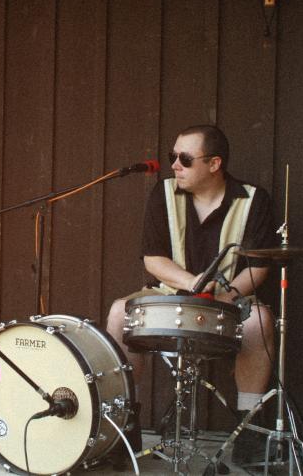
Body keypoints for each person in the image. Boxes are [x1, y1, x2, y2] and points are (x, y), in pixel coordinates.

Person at [105, 125, 276, 465]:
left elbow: (260, 266)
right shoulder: (163, 193)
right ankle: (124, 422)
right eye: (173, 157)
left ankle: (250, 430)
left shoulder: (254, 199)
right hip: (172, 294)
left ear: (215, 164)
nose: (175, 165)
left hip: (230, 299)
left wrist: (228, 296)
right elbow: (153, 258)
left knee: (260, 320)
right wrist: (192, 283)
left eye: (184, 158)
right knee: (119, 312)